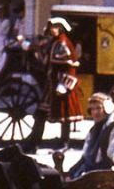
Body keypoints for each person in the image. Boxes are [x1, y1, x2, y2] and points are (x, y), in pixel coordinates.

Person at [22, 16, 84, 153]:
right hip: (51, 84)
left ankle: (64, 142)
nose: (52, 30)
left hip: (61, 84)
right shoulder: (54, 42)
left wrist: (64, 85)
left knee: (65, 114)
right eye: (51, 27)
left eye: (55, 27)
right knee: (41, 114)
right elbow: (45, 57)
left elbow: (70, 67)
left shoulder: (62, 43)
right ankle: (33, 142)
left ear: (61, 29)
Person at [68, 92, 114, 179]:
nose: (95, 112)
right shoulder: (95, 129)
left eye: (98, 108)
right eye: (92, 109)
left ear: (107, 109)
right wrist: (71, 172)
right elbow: (86, 156)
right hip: (98, 169)